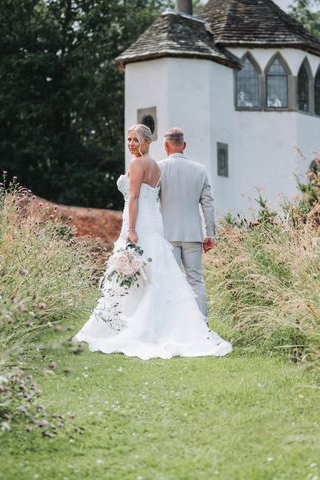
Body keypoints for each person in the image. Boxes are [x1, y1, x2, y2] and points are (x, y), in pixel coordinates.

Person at [73, 124, 232, 360]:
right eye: (128, 140)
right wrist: (211, 232)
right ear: (183, 145)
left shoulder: (151, 165)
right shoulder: (173, 168)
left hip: (154, 228)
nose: (130, 144)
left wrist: (134, 228)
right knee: (181, 281)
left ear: (157, 144)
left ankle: (141, 325)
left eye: (134, 140)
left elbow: (139, 197)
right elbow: (204, 202)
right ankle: (198, 325)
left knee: (157, 280)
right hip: (178, 231)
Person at [158, 127, 215, 320]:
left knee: (170, 282)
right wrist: (211, 234)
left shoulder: (159, 168)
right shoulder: (200, 170)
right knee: (195, 281)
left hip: (167, 235)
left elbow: (150, 201)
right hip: (193, 235)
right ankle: (202, 325)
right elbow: (208, 204)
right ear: (184, 145)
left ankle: (172, 325)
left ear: (166, 146)